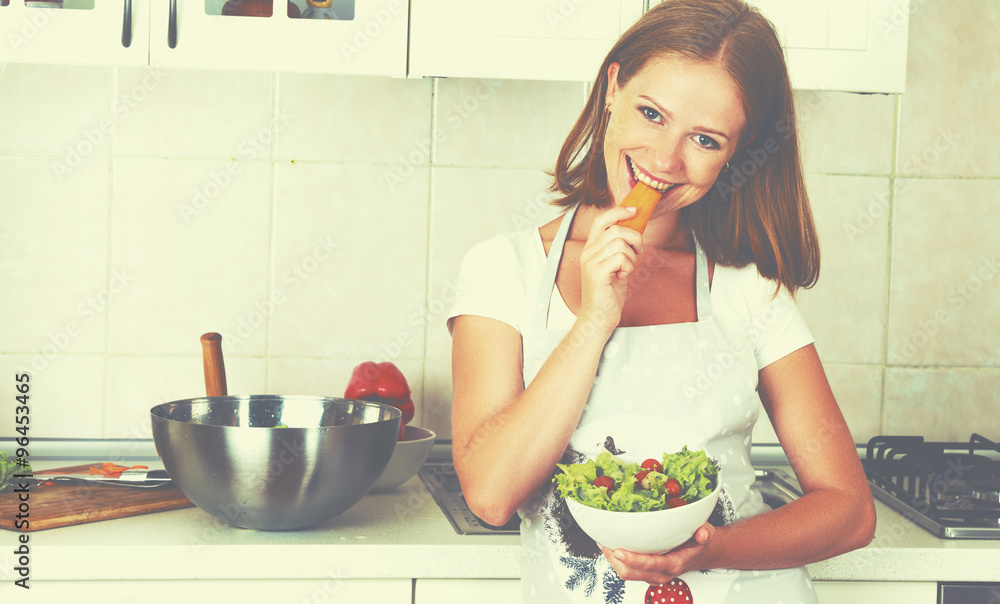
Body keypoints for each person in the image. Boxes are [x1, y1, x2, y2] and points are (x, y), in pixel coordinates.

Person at [446, 0, 876, 602]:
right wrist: (594, 320)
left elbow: (850, 511)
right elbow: (491, 493)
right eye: (651, 114)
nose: (665, 160)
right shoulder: (505, 270)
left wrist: (708, 550)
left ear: (737, 152)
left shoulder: (747, 287)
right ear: (612, 88)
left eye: (704, 139)